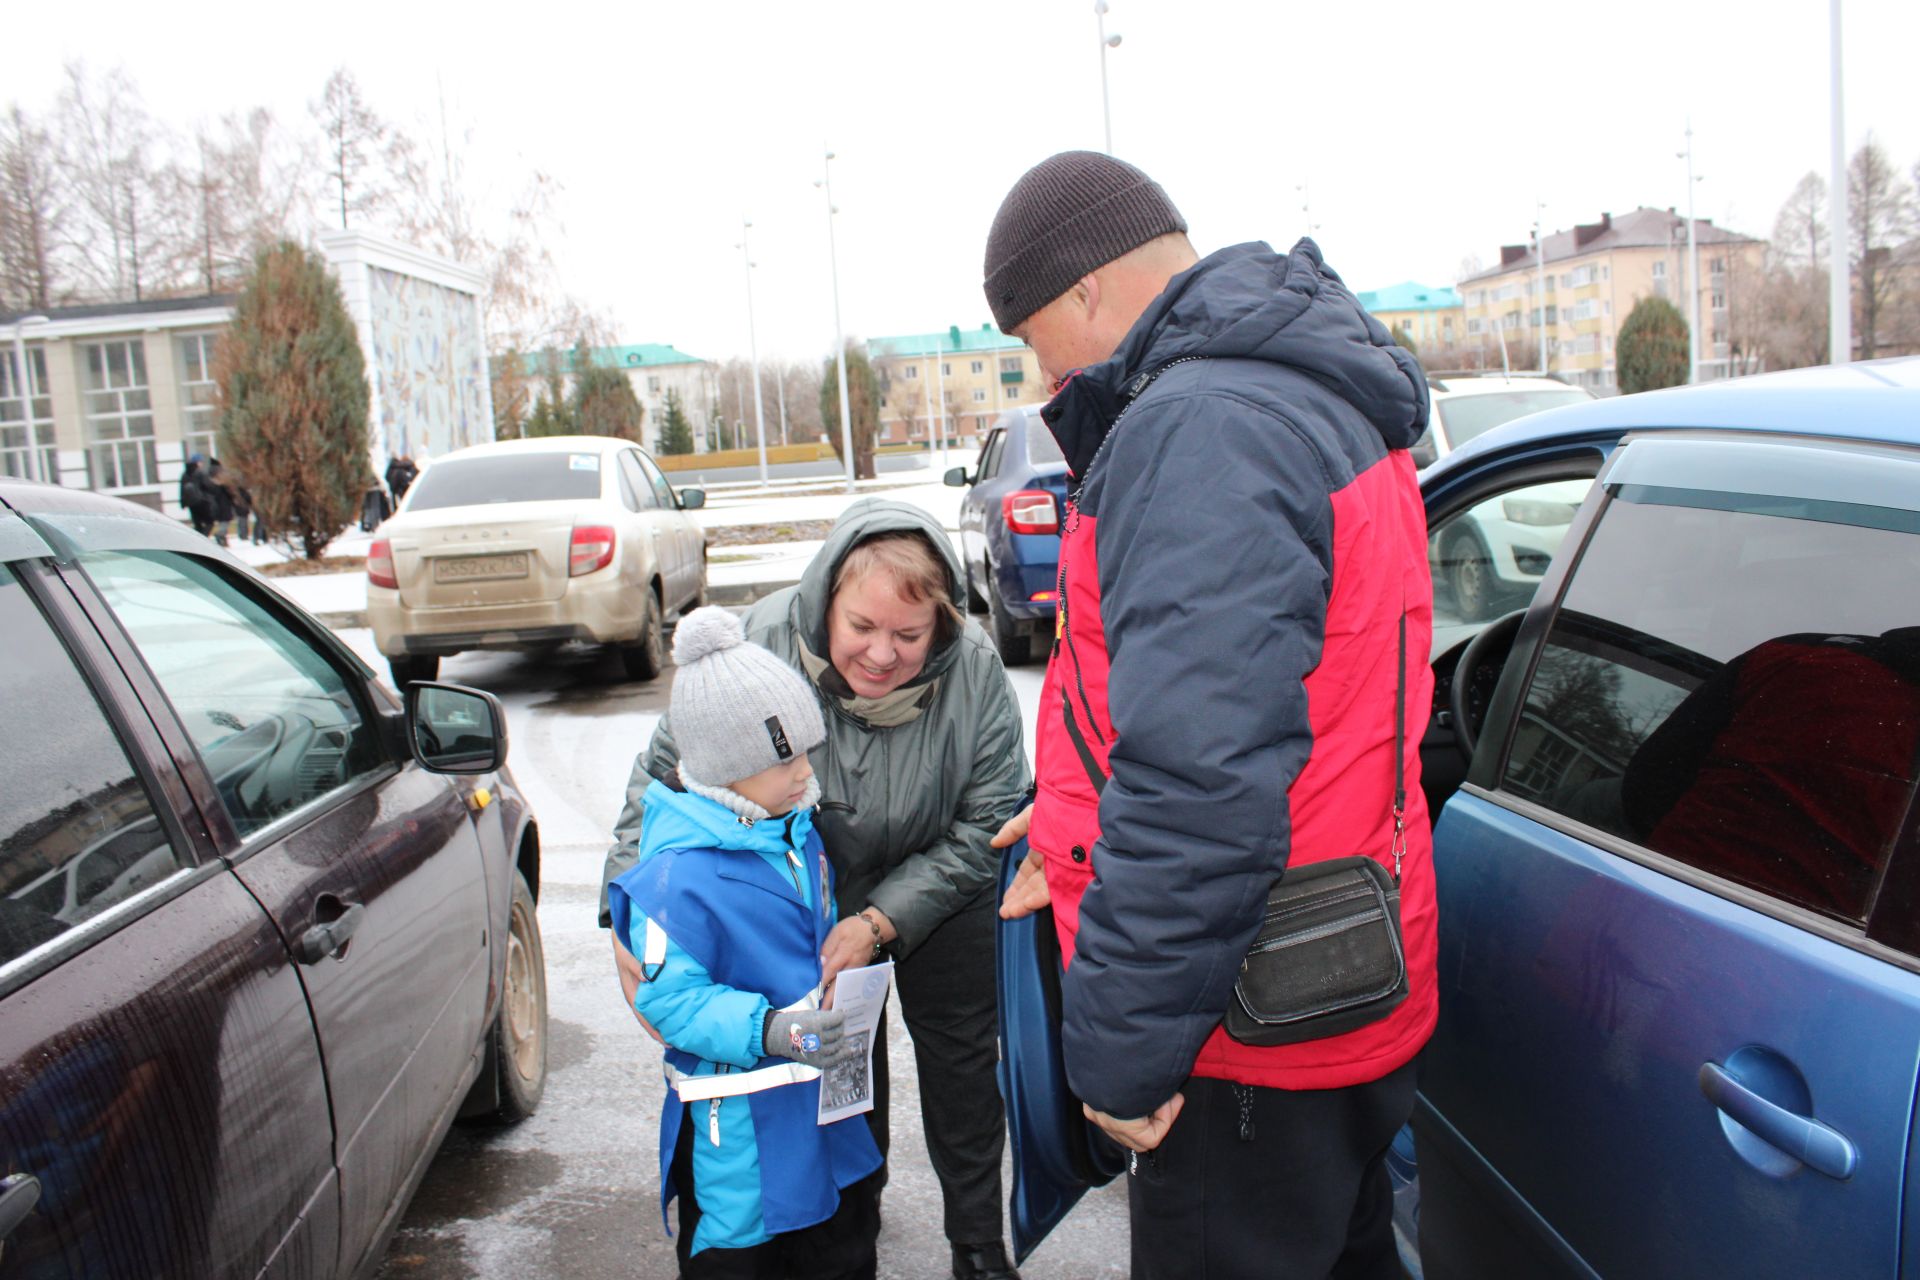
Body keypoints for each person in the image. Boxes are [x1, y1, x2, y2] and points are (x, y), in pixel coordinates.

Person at [984, 152, 1439, 1277]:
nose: (1039, 378)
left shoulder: (1203, 430)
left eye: (1032, 336)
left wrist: (1122, 1057)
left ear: (1085, 291)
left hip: (1244, 1026)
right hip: (1339, 964)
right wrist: (1069, 830)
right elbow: (1292, 701)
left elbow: (1202, 784)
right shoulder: (1301, 389)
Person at [604, 499, 1031, 1280]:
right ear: (826, 597)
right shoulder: (760, 646)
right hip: (806, 885)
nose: (882, 654)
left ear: (941, 623)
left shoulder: (973, 669)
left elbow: (992, 819)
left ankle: (977, 1242)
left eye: (910, 636)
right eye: (863, 627)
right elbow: (666, 772)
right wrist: (626, 912)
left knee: (964, 1064)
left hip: (944, 883)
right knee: (836, 1054)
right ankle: (848, 1211)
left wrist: (884, 919)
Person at [607, 606, 884, 1279]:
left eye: (805, 752)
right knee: (746, 1260)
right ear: (726, 767)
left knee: (841, 1245)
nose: (803, 772)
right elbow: (670, 1000)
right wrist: (771, 1030)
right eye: (783, 757)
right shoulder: (675, 880)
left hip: (822, 1108)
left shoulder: (796, 834)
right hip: (739, 1138)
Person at [179, 454, 214, 537]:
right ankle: (204, 539)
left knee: (197, 524)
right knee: (209, 522)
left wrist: (183, 502)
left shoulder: (184, 474)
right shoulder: (200, 473)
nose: (201, 463)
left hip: (191, 503)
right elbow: (208, 486)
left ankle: (198, 539)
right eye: (200, 461)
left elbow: (181, 489)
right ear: (197, 463)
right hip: (202, 502)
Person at [206, 460, 237, 547]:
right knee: (225, 522)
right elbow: (229, 489)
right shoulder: (222, 476)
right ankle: (220, 535)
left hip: (216, 503)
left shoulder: (209, 475)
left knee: (223, 522)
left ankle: (223, 539)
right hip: (224, 503)